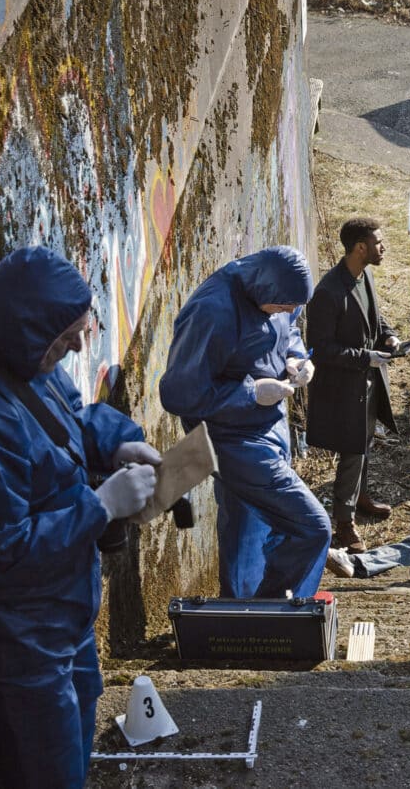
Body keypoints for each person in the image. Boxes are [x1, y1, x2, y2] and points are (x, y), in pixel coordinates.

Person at [0, 246, 161, 789]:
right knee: (43, 768)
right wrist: (102, 506)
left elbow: (70, 420)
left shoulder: (20, 356)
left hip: (61, 608)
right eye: (64, 336)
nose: (75, 345)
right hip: (13, 630)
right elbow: (3, 552)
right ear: (27, 331)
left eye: (79, 329)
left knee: (76, 733)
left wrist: (120, 444)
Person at [160, 246, 331, 599]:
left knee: (245, 525)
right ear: (264, 290)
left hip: (270, 426)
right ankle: (270, 613)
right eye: (284, 304)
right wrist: (251, 392)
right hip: (230, 438)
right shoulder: (212, 311)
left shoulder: (278, 291)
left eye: (293, 305)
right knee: (311, 527)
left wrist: (297, 358)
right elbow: (178, 393)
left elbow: (291, 326)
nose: (289, 310)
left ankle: (238, 612)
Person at [306, 218, 401, 553]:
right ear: (360, 247)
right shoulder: (327, 293)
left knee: (364, 444)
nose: (383, 247)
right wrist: (366, 357)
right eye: (378, 242)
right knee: (352, 451)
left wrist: (389, 334)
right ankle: (344, 524)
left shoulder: (364, 275)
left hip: (368, 382)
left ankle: (360, 497)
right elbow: (319, 348)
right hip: (343, 388)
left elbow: (374, 317)